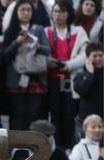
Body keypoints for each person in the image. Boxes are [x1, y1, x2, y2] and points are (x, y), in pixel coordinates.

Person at [46, 0, 89, 148]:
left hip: (71, 80)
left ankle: (70, 148)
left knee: (69, 114)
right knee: (54, 115)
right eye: (55, 11)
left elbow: (85, 55)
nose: (58, 15)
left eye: (62, 12)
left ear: (69, 13)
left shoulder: (78, 31)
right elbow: (41, 54)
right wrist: (49, 62)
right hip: (52, 80)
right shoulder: (47, 31)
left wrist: (67, 65)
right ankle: (57, 148)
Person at [3, 0, 50, 132]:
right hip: (16, 78)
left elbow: (48, 50)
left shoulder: (38, 29)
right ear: (16, 12)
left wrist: (38, 45)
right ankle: (16, 143)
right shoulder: (11, 30)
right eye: (22, 10)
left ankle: (31, 142)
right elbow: (5, 55)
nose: (26, 13)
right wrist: (17, 42)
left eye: (28, 10)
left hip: (36, 77)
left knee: (33, 114)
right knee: (18, 113)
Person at [73, 42, 103, 125]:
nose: (98, 58)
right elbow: (83, 91)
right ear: (88, 58)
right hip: (88, 120)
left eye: (100, 55)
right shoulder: (81, 75)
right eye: (94, 56)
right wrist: (90, 74)